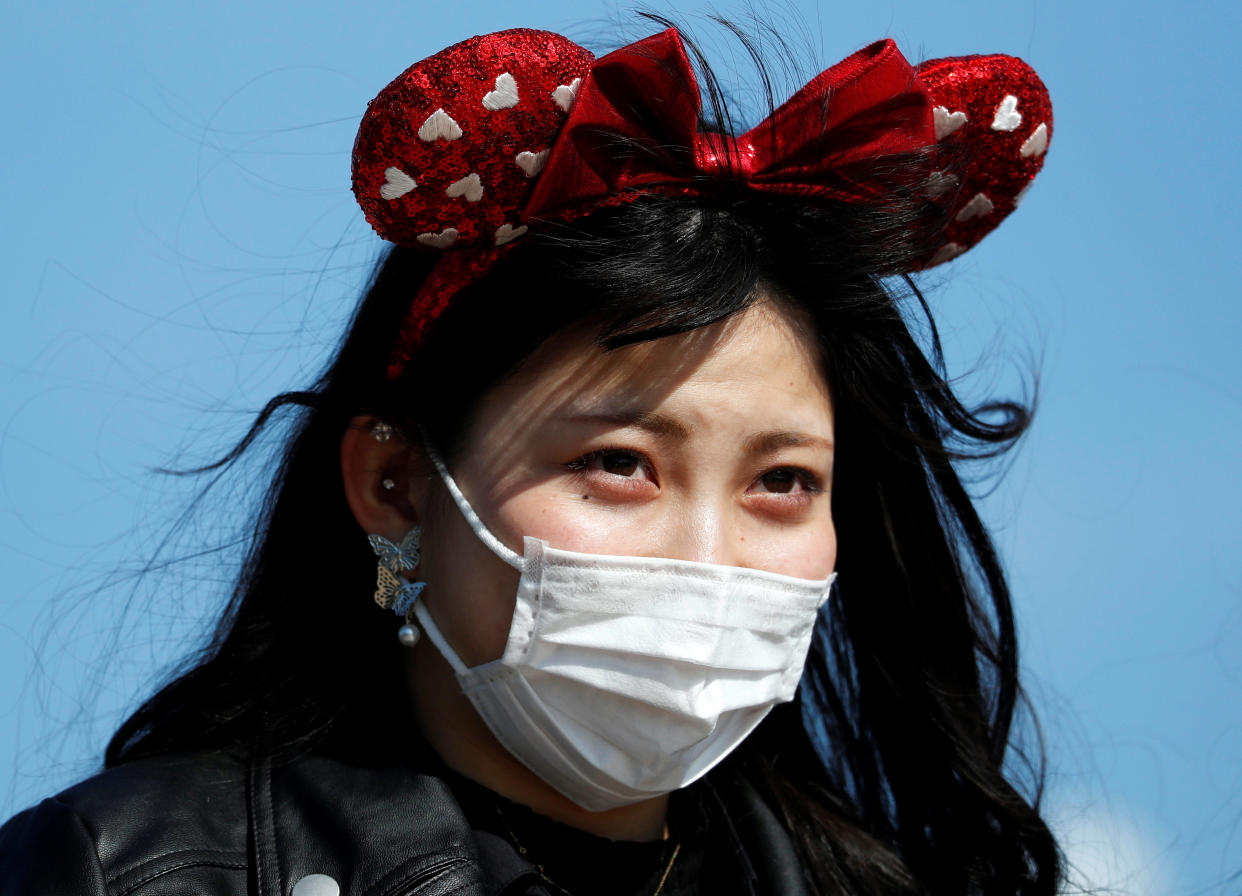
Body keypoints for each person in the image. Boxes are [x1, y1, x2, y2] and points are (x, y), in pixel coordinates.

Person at [0, 22, 1059, 896]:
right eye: (619, 461)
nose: (707, 556)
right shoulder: (130, 868)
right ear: (393, 481)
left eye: (782, 481)